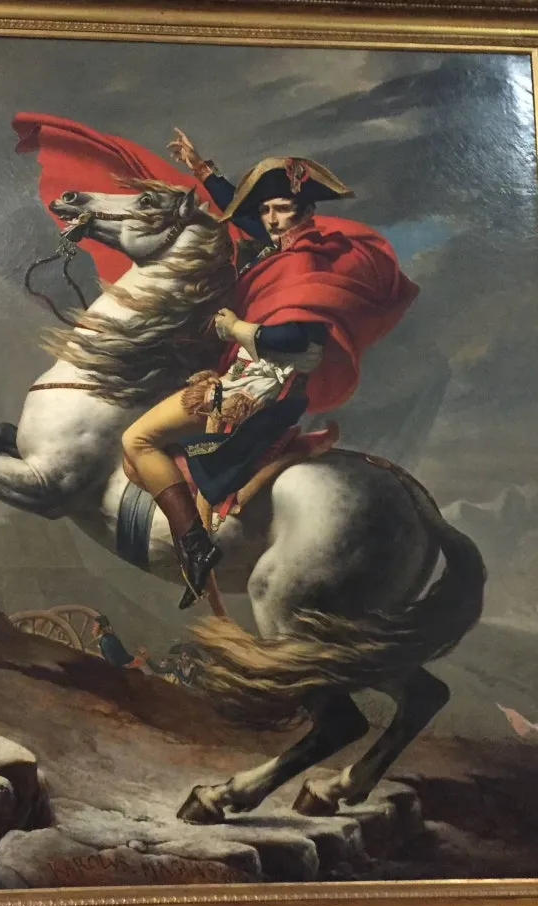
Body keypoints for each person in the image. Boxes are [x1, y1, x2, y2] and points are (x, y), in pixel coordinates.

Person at [121, 129, 420, 609]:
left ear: (306, 211)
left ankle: (194, 546)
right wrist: (202, 169)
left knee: (137, 440)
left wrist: (237, 327)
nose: (270, 219)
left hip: (258, 391)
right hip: (255, 378)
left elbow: (301, 340)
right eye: (266, 210)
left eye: (281, 209)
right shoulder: (287, 249)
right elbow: (240, 215)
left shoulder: (305, 264)